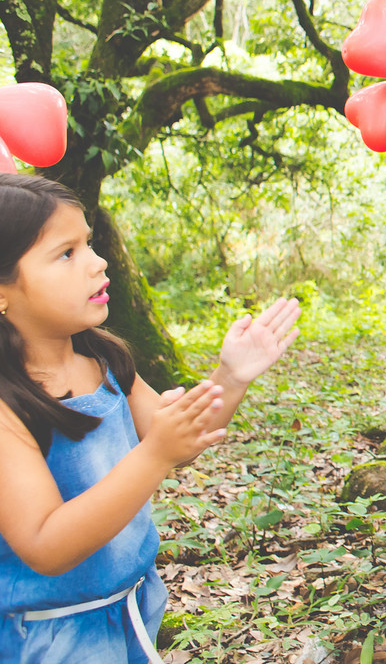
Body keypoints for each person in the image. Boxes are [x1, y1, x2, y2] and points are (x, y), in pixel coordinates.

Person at [0, 174, 300, 662]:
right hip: (47, 637)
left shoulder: (106, 361)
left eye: (89, 244)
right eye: (66, 253)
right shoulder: (8, 405)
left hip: (133, 607)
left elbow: (182, 434)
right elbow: (45, 544)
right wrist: (155, 454)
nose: (98, 263)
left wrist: (232, 375)